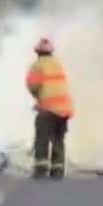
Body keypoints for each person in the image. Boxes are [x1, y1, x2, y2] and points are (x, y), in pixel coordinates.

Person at [26, 37, 72, 180]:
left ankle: (41, 169)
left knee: (42, 139)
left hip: (47, 109)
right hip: (65, 109)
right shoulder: (58, 64)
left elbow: (33, 85)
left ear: (38, 52)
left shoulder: (37, 65)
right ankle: (58, 171)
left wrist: (38, 98)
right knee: (58, 140)